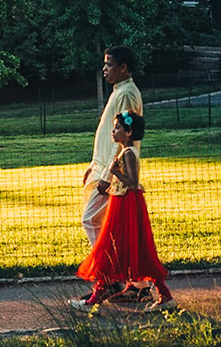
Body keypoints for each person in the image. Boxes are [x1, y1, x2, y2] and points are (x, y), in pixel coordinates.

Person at [73, 111, 173, 309]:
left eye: (118, 127)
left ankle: (97, 297)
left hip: (127, 204)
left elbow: (133, 183)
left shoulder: (128, 153)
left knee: (115, 246)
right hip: (121, 201)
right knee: (122, 247)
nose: (113, 131)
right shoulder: (124, 152)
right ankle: (163, 294)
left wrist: (115, 172)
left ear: (128, 132)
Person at [82, 46, 144, 247]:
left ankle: (107, 270)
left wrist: (108, 176)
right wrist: (93, 166)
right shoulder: (120, 92)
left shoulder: (126, 94)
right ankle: (119, 272)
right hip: (103, 169)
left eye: (109, 64)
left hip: (114, 174)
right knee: (106, 224)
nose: (105, 69)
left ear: (123, 67)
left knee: (91, 220)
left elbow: (124, 137)